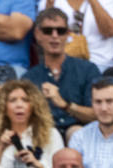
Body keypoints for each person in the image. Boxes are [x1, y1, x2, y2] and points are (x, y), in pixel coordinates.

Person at [24, 7, 97, 136]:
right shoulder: (29, 78)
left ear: (68, 34)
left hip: (81, 138)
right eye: (48, 31)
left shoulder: (87, 70)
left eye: (60, 31)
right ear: (37, 34)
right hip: (43, 138)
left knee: (75, 132)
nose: (54, 36)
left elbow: (99, 115)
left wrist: (65, 105)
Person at [47, 0, 113, 71]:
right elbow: (44, 33)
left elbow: (110, 31)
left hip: (100, 64)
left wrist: (93, 2)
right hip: (63, 65)